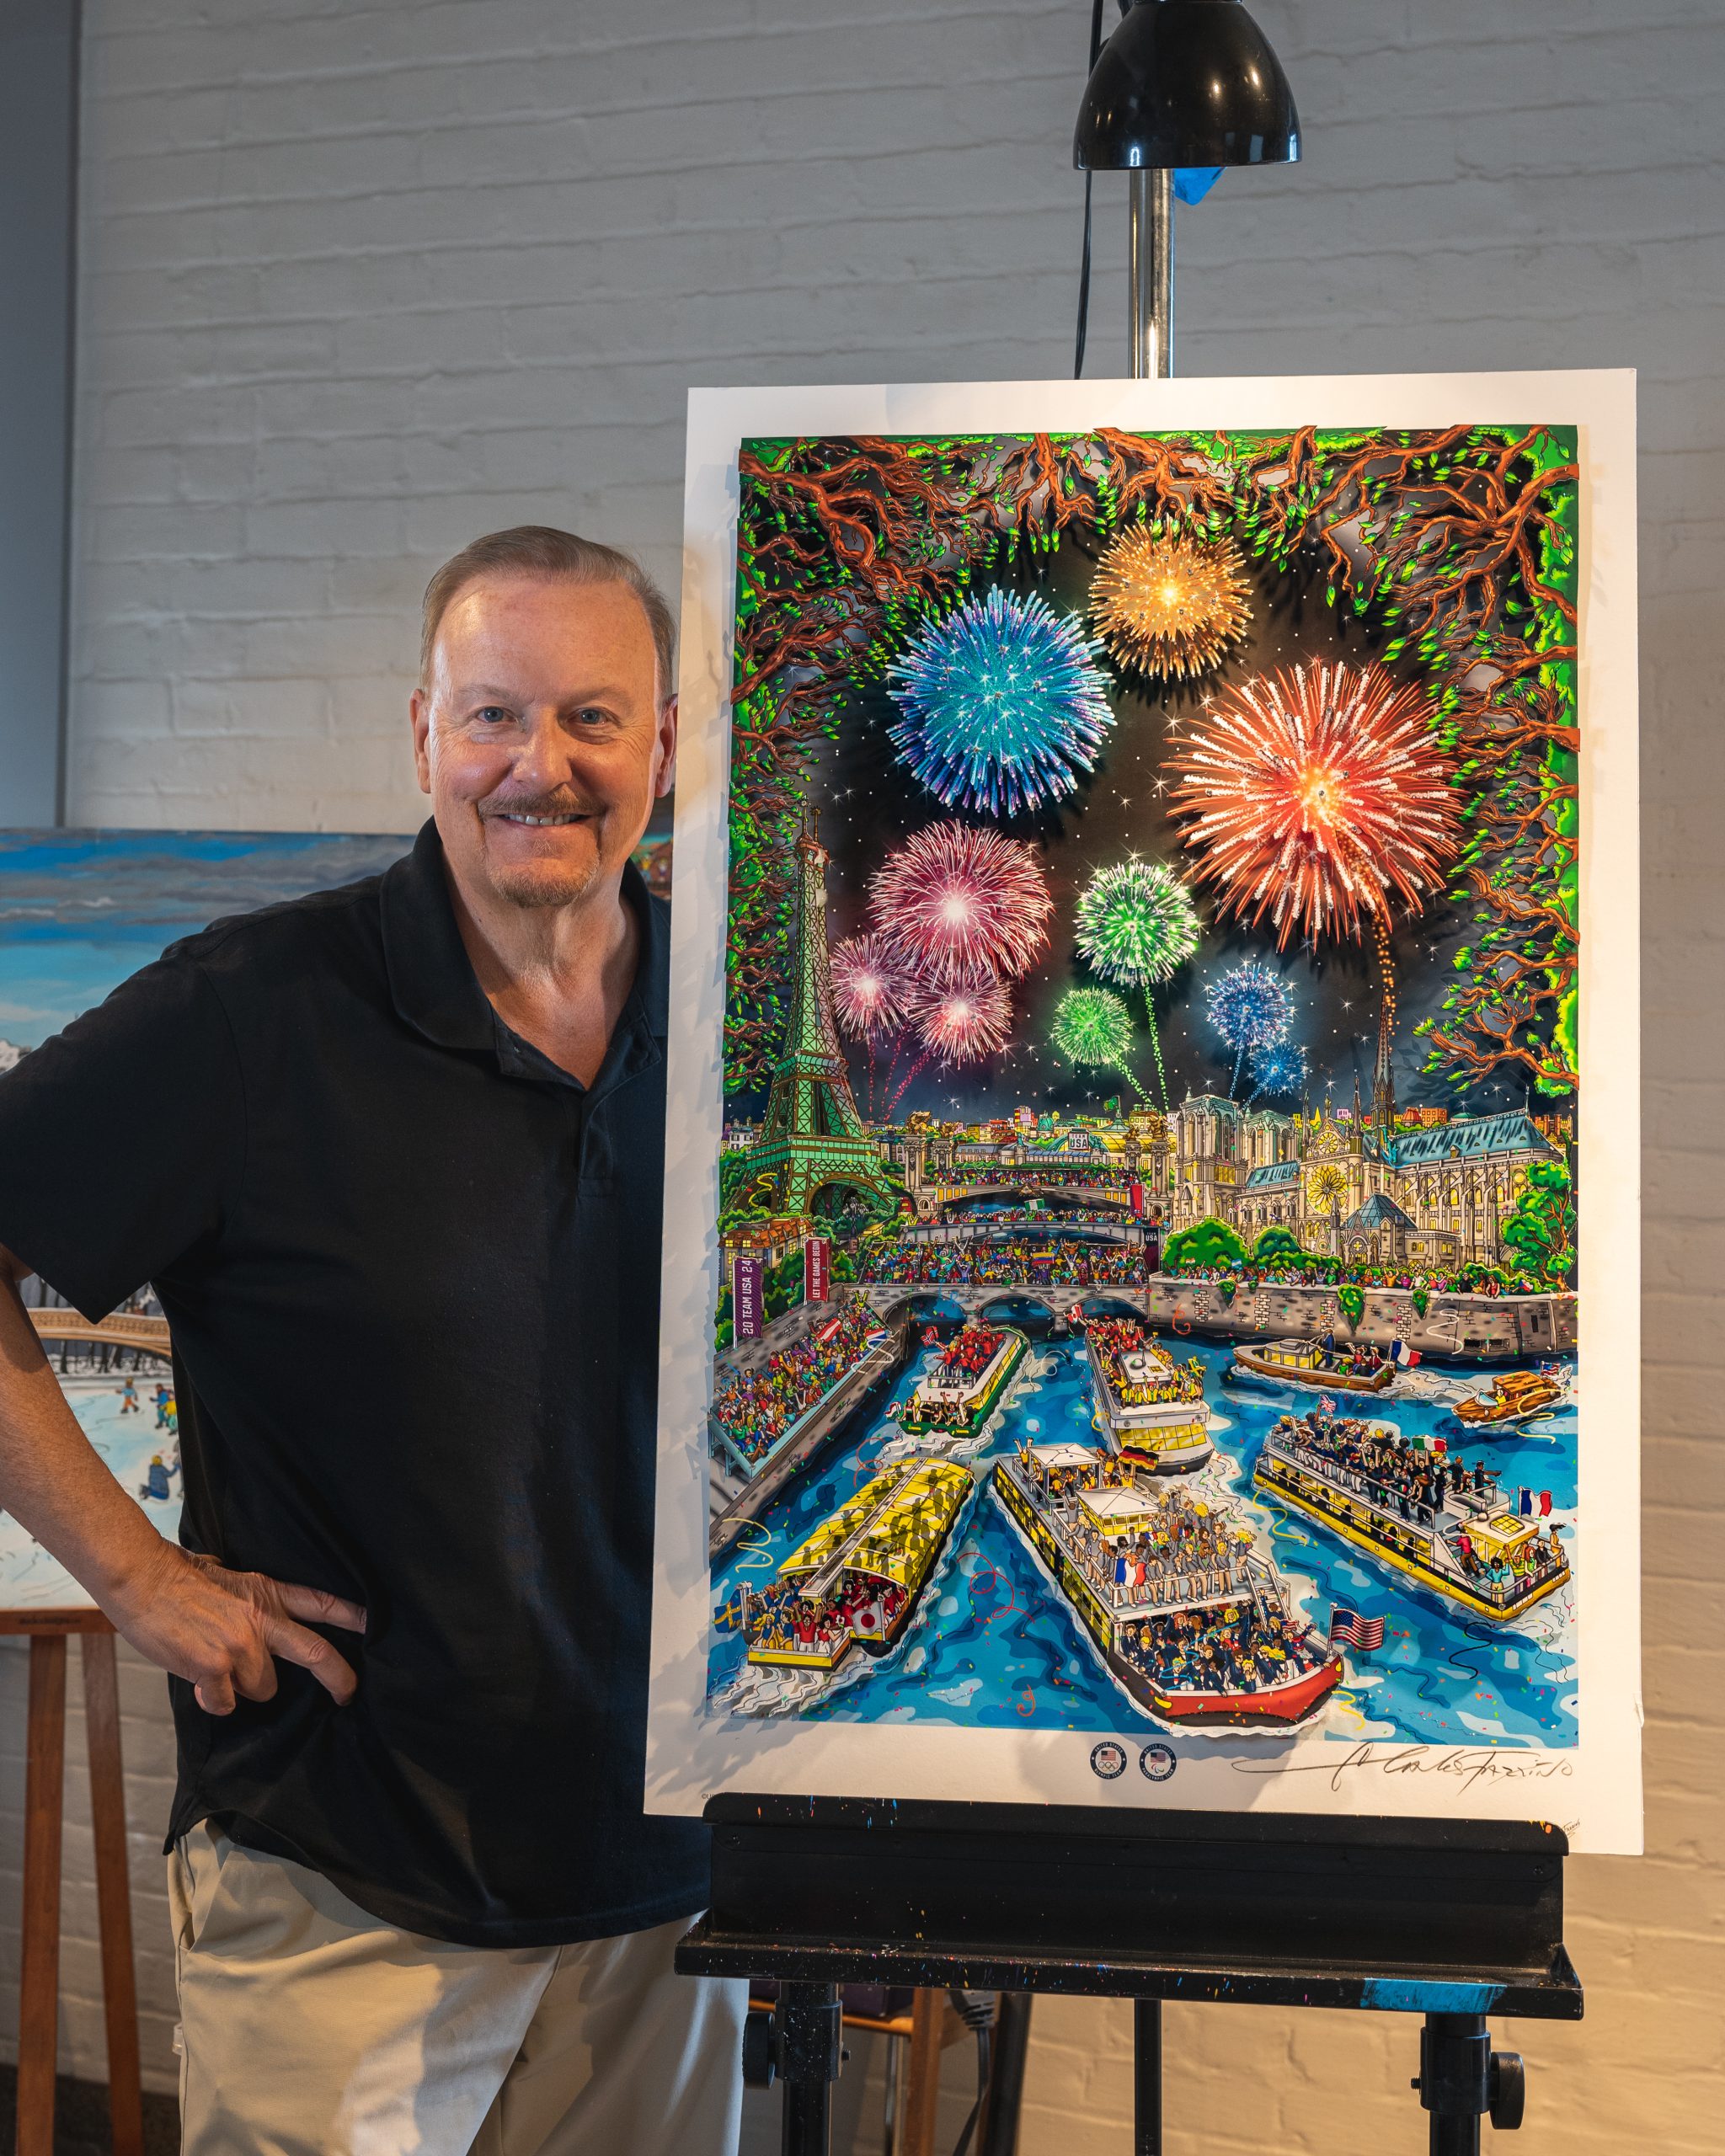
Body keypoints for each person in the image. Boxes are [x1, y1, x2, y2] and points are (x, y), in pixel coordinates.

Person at [0, 528, 744, 2155]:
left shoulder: (750, 1026)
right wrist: (138, 1577)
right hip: (343, 1879)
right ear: (422, 734)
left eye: (593, 721)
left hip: (669, 1892)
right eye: (493, 717)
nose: (538, 768)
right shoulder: (253, 1010)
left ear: (667, 748)